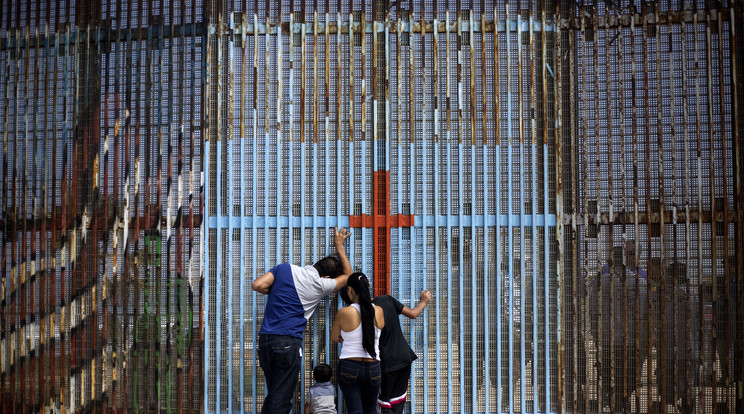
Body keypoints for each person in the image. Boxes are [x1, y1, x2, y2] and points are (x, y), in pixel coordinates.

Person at [252, 226, 352, 414]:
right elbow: (348, 277)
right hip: (288, 342)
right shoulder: (320, 284)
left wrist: (275, 290)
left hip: (265, 340)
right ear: (327, 277)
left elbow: (257, 285)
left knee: (274, 394)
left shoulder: (284, 268)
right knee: (281, 399)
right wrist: (339, 245)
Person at [330, 273, 385, 414]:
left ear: (349, 290)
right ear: (368, 288)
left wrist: (345, 337)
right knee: (371, 409)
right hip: (373, 366)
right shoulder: (378, 311)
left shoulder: (345, 312)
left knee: (355, 410)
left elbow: (334, 336)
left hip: (349, 366)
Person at [372, 289, 431, 414]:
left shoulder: (359, 312)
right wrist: (423, 302)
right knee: (397, 402)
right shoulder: (386, 299)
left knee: (384, 403)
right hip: (403, 358)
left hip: (386, 363)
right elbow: (413, 314)